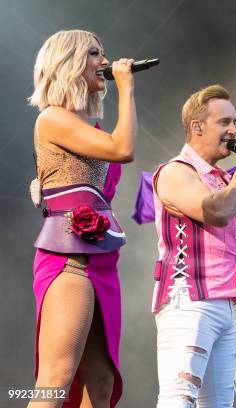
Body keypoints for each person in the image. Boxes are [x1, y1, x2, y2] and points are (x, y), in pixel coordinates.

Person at [28, 29, 137, 407]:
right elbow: (123, 149)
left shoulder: (88, 127)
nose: (105, 63)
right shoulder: (52, 118)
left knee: (101, 384)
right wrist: (126, 89)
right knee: (56, 380)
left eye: (103, 54)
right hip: (68, 259)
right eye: (94, 54)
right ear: (67, 62)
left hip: (102, 259)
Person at [152, 85, 236, 407]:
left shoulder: (220, 178)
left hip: (222, 303)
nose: (234, 131)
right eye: (225, 122)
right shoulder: (175, 171)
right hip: (189, 299)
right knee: (178, 399)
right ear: (197, 127)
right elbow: (216, 212)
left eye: (235, 122)